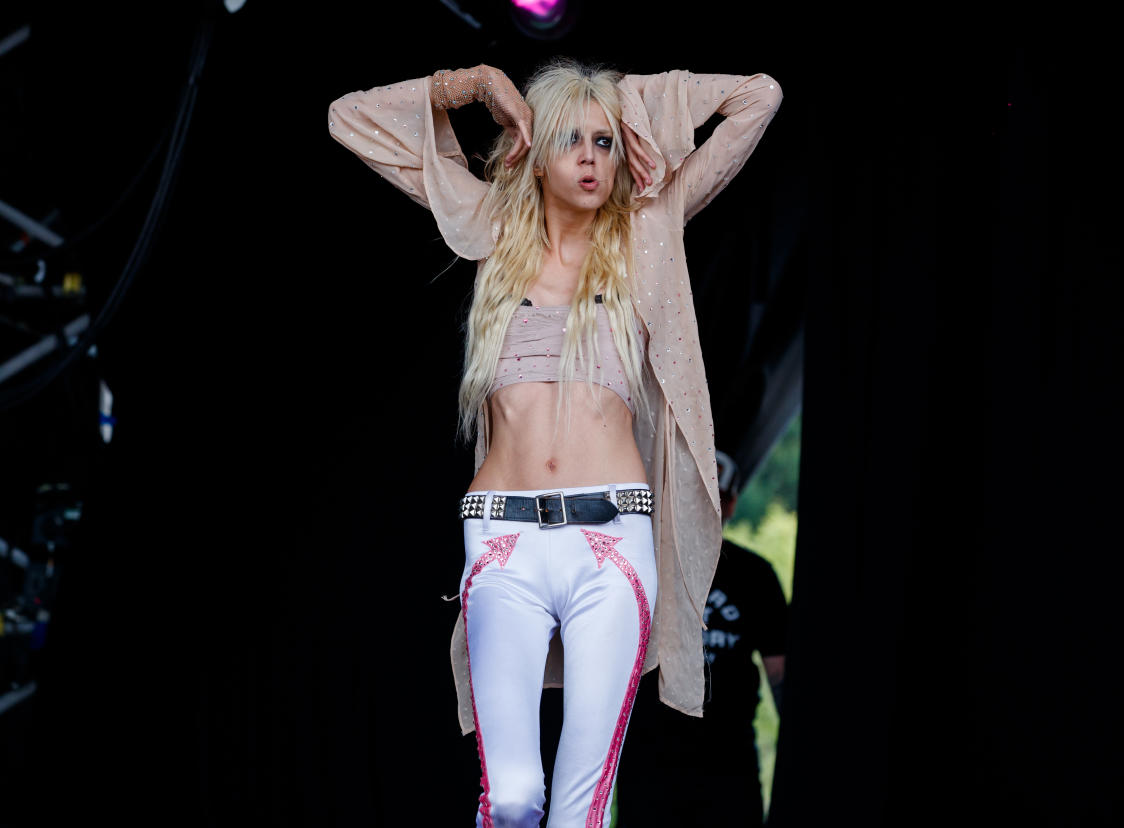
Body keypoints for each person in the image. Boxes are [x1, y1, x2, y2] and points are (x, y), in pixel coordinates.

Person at [328, 58, 781, 827]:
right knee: (512, 798)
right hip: (504, 537)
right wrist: (471, 85)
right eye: (570, 137)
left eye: (604, 142)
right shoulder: (492, 227)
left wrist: (626, 104)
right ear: (533, 150)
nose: (590, 156)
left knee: (580, 809)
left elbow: (758, 97)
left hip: (612, 538)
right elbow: (348, 118)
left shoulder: (648, 231)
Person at [617, 449, 790, 825]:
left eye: (715, 499)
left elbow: (779, 670)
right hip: (650, 758)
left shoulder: (755, 575)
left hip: (729, 762)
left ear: (730, 505)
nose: (703, 509)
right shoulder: (642, 564)